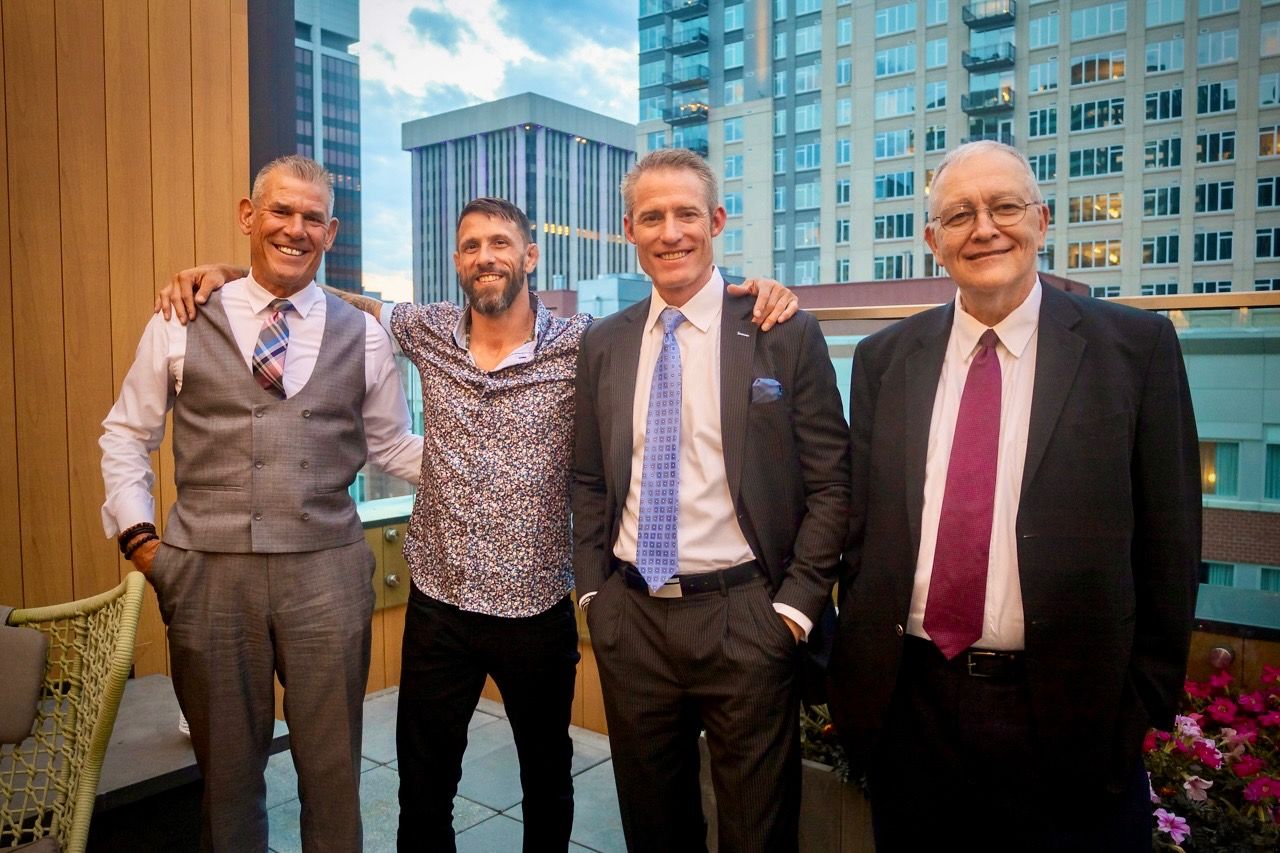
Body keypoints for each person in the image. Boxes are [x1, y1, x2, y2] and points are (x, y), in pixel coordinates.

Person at [158, 195, 798, 852]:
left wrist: (763, 294)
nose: (484, 256)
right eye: (469, 246)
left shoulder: (586, 343)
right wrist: (237, 277)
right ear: (458, 262)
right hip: (440, 608)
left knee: (548, 784)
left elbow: (678, 327)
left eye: (498, 242)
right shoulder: (427, 329)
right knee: (424, 788)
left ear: (530, 254)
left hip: (539, 609)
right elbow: (336, 297)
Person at [827, 140, 1201, 851]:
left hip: (1071, 715)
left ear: (1042, 219)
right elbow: (864, 529)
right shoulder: (883, 359)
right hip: (914, 708)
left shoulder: (1136, 349)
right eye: (960, 214)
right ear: (933, 241)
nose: (985, 228)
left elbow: (1172, 541)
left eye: (1004, 206)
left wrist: (1140, 703)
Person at [100, 155, 423, 852]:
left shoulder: (363, 333)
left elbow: (393, 447)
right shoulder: (180, 319)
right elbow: (126, 433)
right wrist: (143, 542)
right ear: (249, 217)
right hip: (207, 576)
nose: (295, 228)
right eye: (280, 211)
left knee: (333, 773)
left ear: (331, 232)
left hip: (327, 575)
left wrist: (494, 467)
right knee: (226, 776)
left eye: (312, 217)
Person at [571, 148, 850, 853]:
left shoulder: (780, 330)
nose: (671, 232)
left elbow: (831, 481)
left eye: (687, 213)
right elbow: (587, 481)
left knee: (758, 832)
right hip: (632, 618)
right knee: (654, 828)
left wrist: (791, 609)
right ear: (630, 230)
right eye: (653, 217)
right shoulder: (604, 344)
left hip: (746, 618)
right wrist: (595, 598)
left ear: (717, 220)